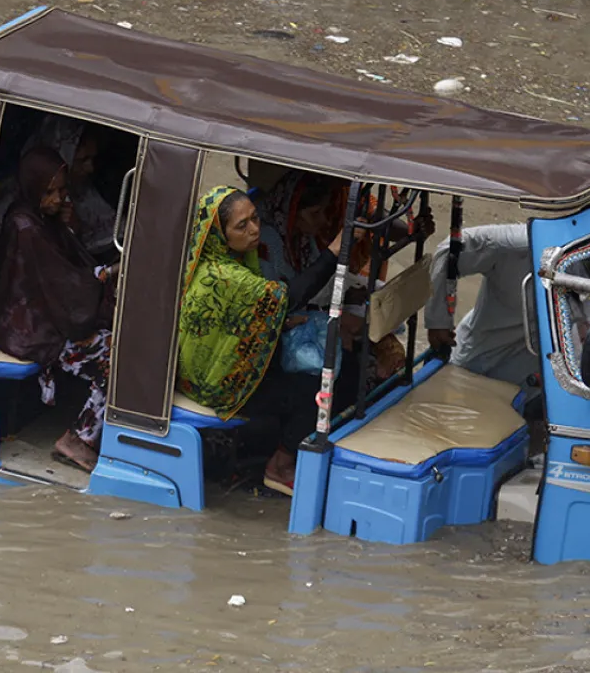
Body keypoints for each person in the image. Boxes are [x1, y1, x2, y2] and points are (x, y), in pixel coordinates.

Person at [177, 186, 360, 495]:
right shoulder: (224, 276)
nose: (254, 230)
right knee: (314, 391)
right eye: (241, 225)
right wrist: (333, 253)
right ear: (219, 234)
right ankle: (280, 464)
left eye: (255, 219)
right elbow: (285, 298)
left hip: (221, 366)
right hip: (212, 381)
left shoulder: (237, 262)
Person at [0, 147, 118, 472]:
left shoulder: (43, 219)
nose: (58, 198)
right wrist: (105, 277)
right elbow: (63, 284)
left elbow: (67, 267)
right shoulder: (26, 227)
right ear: (33, 188)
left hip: (43, 316)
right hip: (28, 328)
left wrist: (68, 228)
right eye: (50, 192)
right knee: (114, 358)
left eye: (61, 190)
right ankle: (78, 439)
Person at [255, 172, 434, 383]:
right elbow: (284, 304)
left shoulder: (301, 236)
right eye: (315, 213)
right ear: (291, 211)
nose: (323, 220)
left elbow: (320, 285)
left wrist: (347, 297)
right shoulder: (267, 246)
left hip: (321, 305)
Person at [424, 224, 539, 388]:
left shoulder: (586, 270)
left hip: (535, 382)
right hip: (476, 363)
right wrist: (437, 320)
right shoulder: (518, 245)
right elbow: (450, 249)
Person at [22, 116, 120, 264]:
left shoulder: (86, 194)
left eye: (92, 159)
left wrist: (75, 230)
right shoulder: (21, 213)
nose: (90, 168)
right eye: (82, 160)